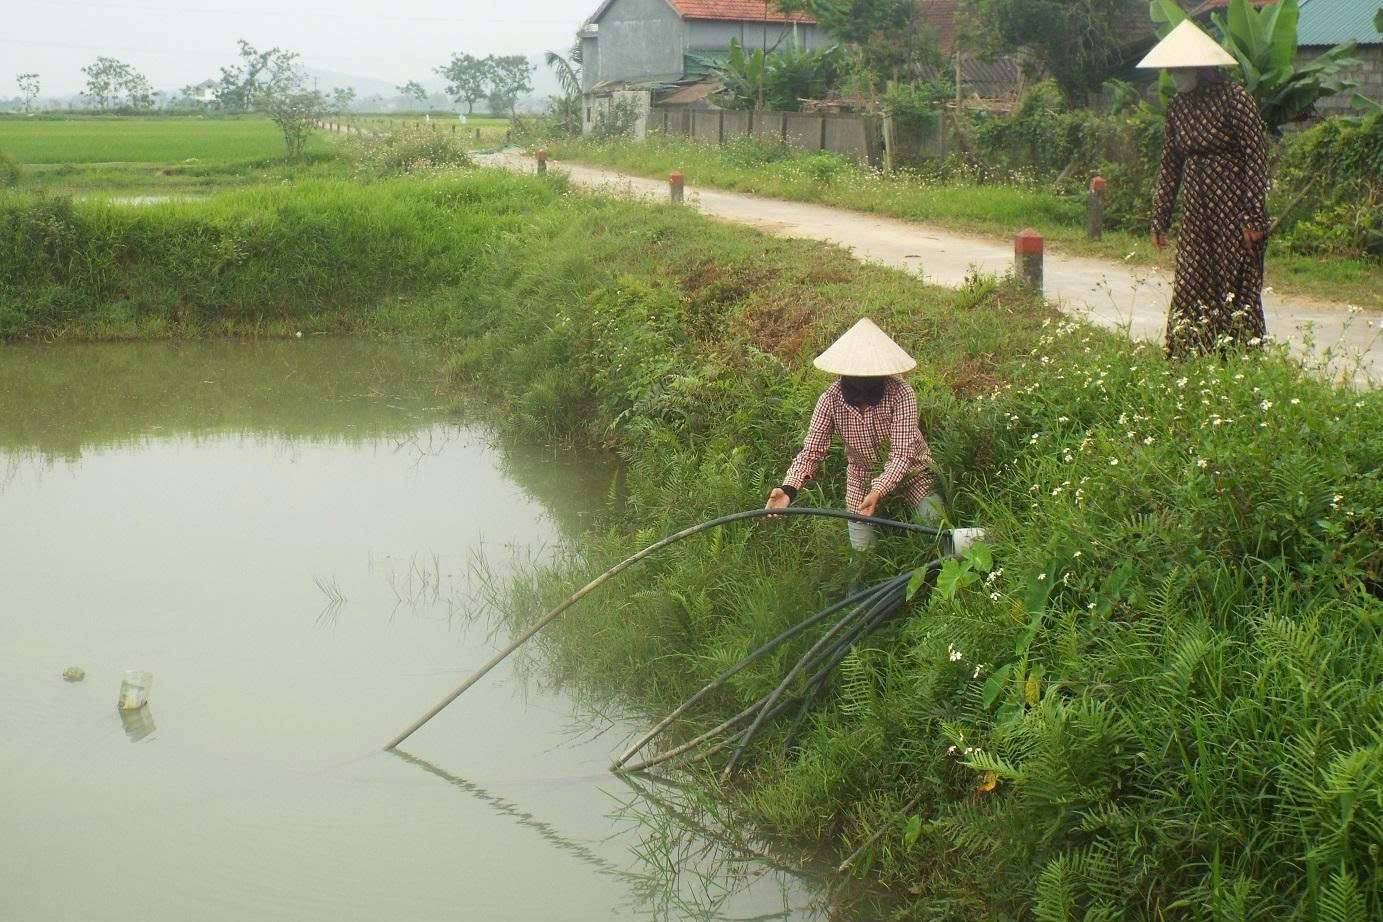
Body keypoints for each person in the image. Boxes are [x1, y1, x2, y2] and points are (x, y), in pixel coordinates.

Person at [1138, 19, 1270, 359]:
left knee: (1235, 288)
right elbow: (1170, 166)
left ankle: (1240, 358)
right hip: (1196, 212)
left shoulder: (1234, 99)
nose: (1174, 75)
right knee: (1190, 283)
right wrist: (1160, 220)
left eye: (1179, 69)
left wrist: (1253, 215)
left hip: (1235, 209)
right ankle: (1186, 357)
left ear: (1199, 67)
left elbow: (1256, 156)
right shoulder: (1178, 108)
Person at [765, 318, 944, 551]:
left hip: (914, 474)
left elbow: (902, 455)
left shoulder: (901, 394)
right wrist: (789, 489)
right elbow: (812, 451)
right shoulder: (830, 399)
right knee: (863, 553)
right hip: (862, 478)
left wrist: (879, 490)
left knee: (935, 529)